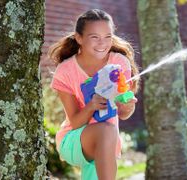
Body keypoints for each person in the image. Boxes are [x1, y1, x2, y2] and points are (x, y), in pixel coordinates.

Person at [48, 9, 139, 180]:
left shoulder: (118, 63)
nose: (102, 43)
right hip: (75, 140)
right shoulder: (66, 71)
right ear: (79, 38)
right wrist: (91, 106)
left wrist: (128, 105)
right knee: (107, 131)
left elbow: (124, 113)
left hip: (106, 140)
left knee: (107, 134)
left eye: (107, 37)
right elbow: (75, 122)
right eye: (94, 37)